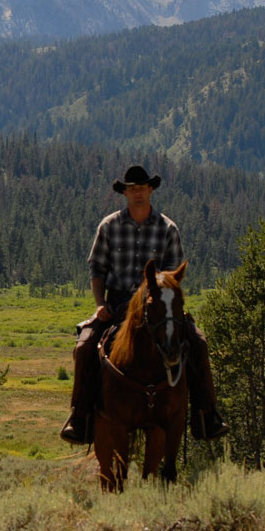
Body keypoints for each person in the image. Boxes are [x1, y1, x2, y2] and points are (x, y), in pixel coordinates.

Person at [60, 165, 229, 445]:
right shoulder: (109, 225)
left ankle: (207, 415)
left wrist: (168, 305)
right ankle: (80, 417)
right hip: (116, 305)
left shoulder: (167, 228)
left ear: (151, 190)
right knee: (84, 346)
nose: (137, 193)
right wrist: (100, 304)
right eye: (132, 189)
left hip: (159, 307)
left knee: (198, 343)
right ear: (125, 193)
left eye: (142, 188)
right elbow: (97, 269)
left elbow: (174, 274)